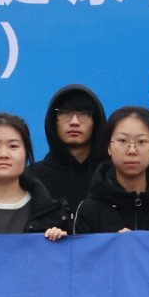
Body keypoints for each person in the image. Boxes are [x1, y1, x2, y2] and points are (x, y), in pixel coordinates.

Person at [73, 107, 149, 234]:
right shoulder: (90, 210)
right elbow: (81, 247)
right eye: (122, 141)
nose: (132, 150)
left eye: (141, 141)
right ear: (109, 147)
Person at [28, 84, 108, 221]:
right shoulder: (32, 177)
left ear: (96, 121)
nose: (74, 122)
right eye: (65, 113)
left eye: (84, 113)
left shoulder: (112, 174)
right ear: (53, 120)